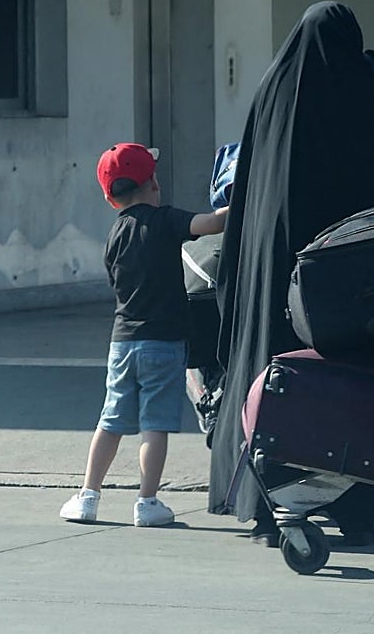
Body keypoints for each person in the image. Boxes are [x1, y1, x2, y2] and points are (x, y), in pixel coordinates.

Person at [206, 1, 374, 547]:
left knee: (275, 380)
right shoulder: (365, 76)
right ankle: (357, 506)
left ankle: (272, 510)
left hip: (273, 268)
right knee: (357, 377)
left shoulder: (274, 86)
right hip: (349, 268)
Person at [60, 142, 228, 527]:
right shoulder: (165, 220)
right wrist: (247, 197)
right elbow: (212, 224)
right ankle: (147, 502)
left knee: (111, 420)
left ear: (108, 197)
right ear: (153, 183)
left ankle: (88, 496)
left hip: (122, 342)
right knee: (155, 424)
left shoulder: (114, 235)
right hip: (164, 343)